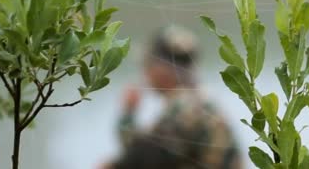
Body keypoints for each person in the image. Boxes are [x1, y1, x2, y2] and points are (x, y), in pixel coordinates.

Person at [103, 25, 242, 169]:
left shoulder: (185, 107)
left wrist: (128, 114)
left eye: (148, 64)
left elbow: (141, 158)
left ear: (163, 69)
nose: (146, 72)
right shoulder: (201, 100)